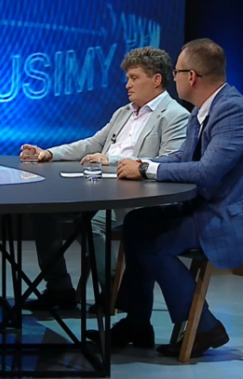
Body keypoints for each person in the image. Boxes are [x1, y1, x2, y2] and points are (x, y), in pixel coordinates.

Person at [95, 38, 243, 358]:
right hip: (217, 206)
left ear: (192, 76)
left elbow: (206, 173)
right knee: (137, 222)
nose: (173, 77)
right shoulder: (203, 110)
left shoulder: (234, 111)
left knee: (154, 243)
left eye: (176, 72)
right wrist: (144, 165)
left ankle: (205, 326)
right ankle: (136, 322)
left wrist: (145, 169)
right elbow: (182, 158)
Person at [20, 47, 189, 311]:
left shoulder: (176, 116)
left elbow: (169, 162)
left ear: (156, 80)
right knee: (42, 211)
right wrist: (49, 153)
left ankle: (114, 293)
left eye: (134, 78)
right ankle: (59, 288)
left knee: (93, 221)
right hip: (99, 190)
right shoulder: (123, 112)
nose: (127, 84)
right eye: (128, 78)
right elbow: (93, 144)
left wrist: (108, 161)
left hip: (138, 199)